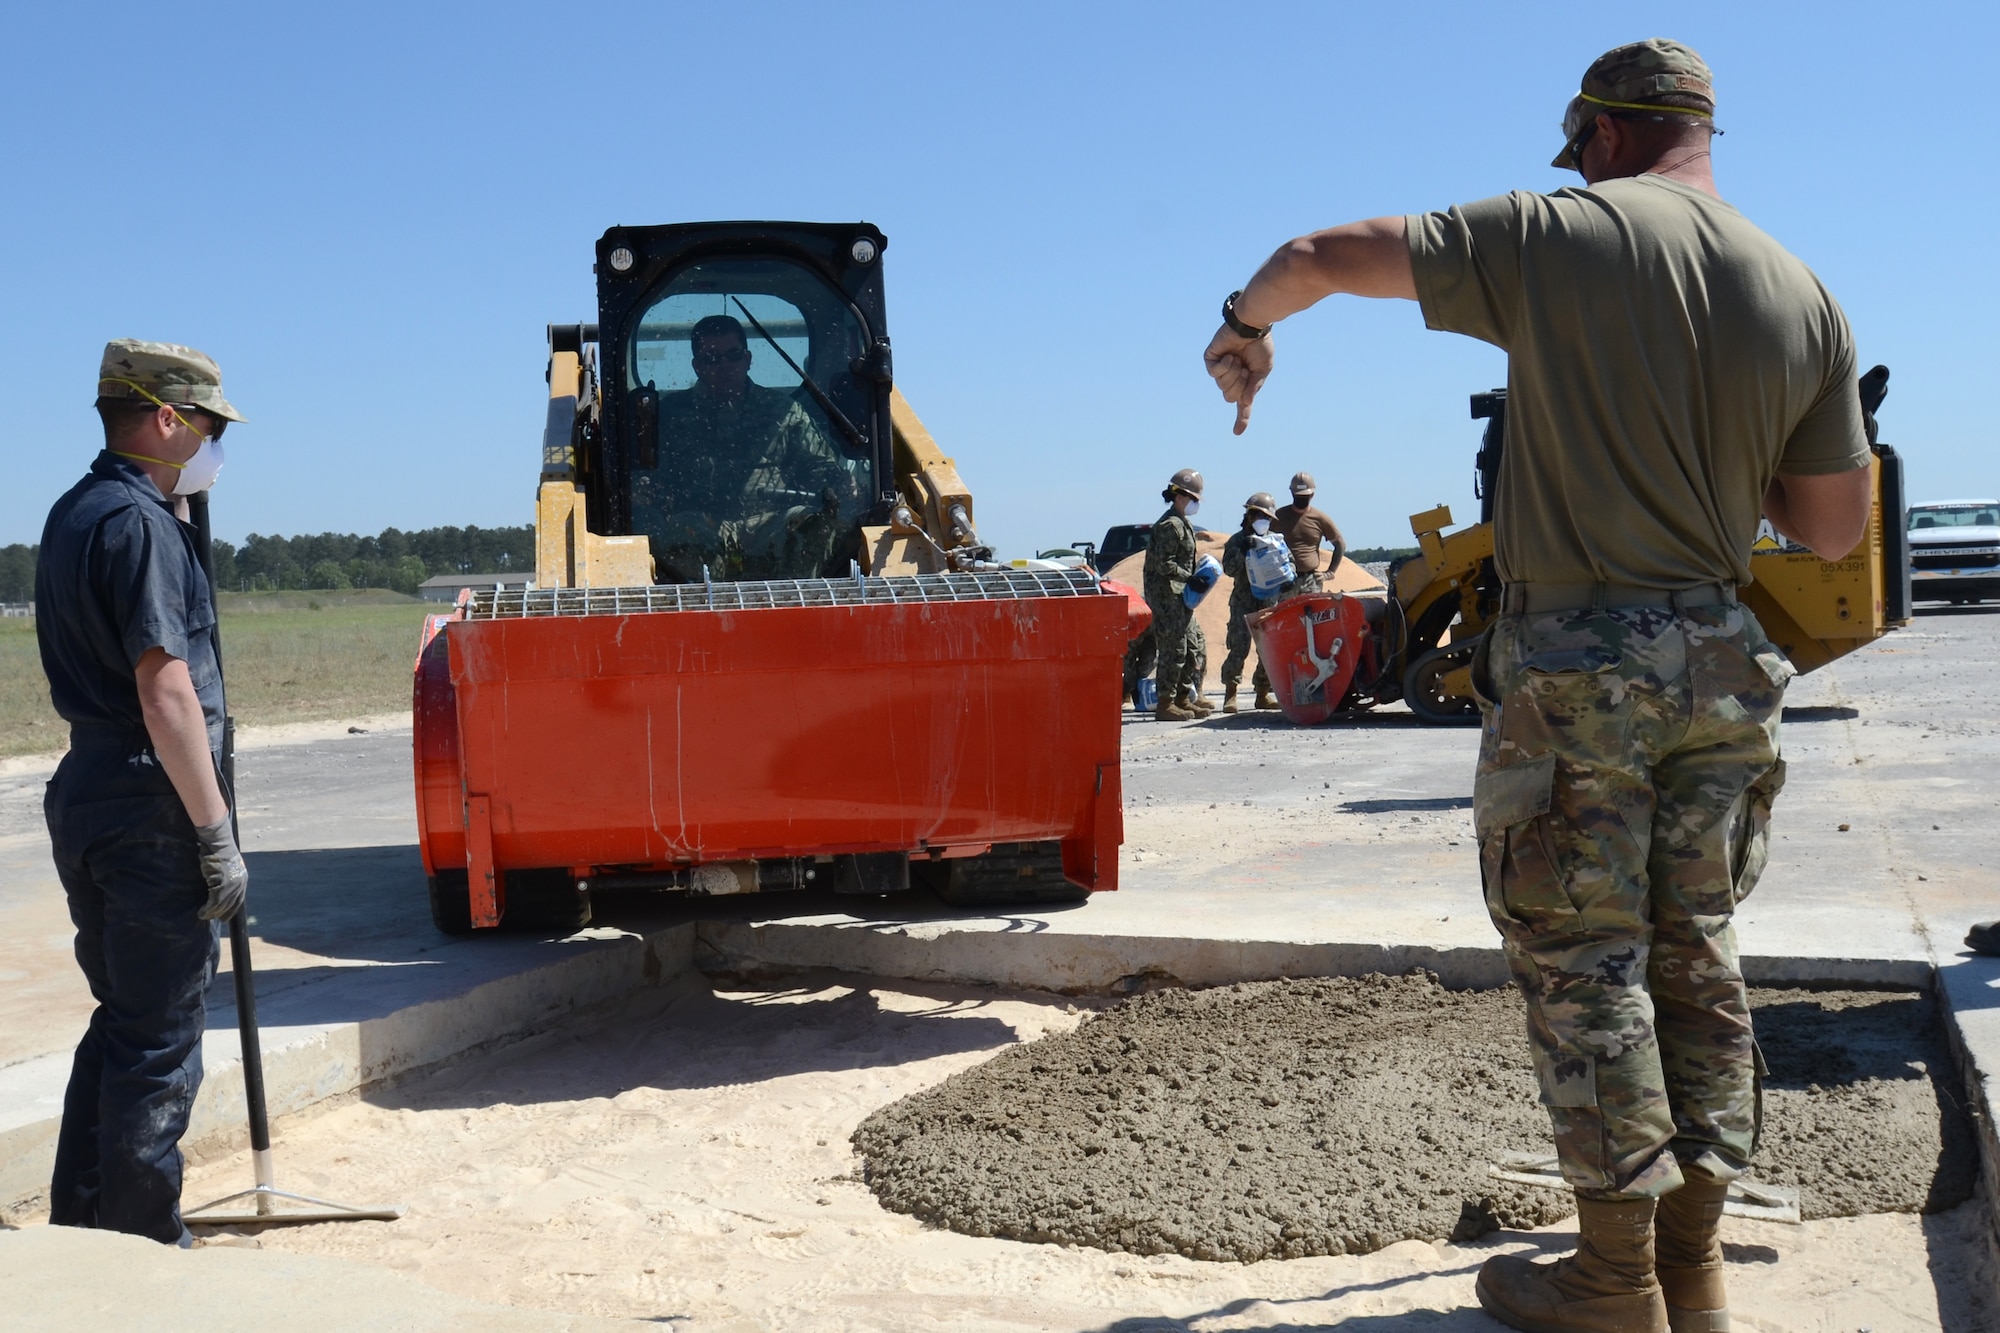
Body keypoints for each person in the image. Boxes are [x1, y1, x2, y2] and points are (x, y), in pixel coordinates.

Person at [1203, 39, 1873, 1333]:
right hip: (1725, 663)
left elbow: (1319, 257)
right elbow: (1832, 529)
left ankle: (1614, 1280)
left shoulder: (1556, 235)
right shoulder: (1804, 292)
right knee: (1699, 950)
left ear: (1605, 136)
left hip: (1581, 667)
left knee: (1587, 962)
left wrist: (1242, 332)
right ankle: (1697, 1268)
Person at [38, 340, 251, 1246]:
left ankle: (83, 1228)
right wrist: (213, 831)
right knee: (160, 1042)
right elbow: (167, 689)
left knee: (122, 1022)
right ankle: (142, 1245)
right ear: (166, 418)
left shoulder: (77, 511)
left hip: (92, 791)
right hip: (149, 804)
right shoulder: (138, 524)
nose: (212, 446)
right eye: (205, 427)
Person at [635, 314, 859, 580]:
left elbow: (818, 466)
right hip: (699, 527)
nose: (725, 366)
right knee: (680, 530)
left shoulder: (783, 411)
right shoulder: (670, 416)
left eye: (733, 355)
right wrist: (644, 491)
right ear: (697, 366)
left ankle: (798, 609)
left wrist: (838, 483)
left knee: (816, 525)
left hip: (770, 526)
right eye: (713, 359)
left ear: (748, 359)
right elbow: (650, 476)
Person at [1135, 469, 1210, 721]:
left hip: (1180, 597)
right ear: (1179, 496)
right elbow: (1162, 564)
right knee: (1172, 650)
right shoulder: (1170, 526)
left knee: (1189, 649)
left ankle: (1180, 699)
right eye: (1193, 498)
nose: (1195, 504)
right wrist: (1189, 576)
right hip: (1167, 599)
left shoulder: (1182, 523)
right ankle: (1165, 703)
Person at [1219, 492, 1285, 712]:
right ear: (1250, 517)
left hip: (1268, 600)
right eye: (1260, 517)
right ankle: (1231, 694)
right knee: (1238, 647)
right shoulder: (1237, 541)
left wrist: (1286, 577)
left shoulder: (1274, 540)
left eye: (1267, 518)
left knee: (1268, 649)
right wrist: (1243, 552)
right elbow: (1228, 569)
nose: (1263, 522)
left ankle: (1263, 693)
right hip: (1242, 602)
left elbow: (1288, 563)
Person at [1272, 472, 1345, 594]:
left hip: (1311, 581)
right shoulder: (1278, 517)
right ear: (1291, 493)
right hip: (1283, 580)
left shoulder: (1320, 518)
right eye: (1298, 496)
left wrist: (1330, 573)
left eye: (1305, 496)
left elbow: (1340, 544)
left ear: (1312, 495)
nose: (1301, 499)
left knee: (1313, 613)